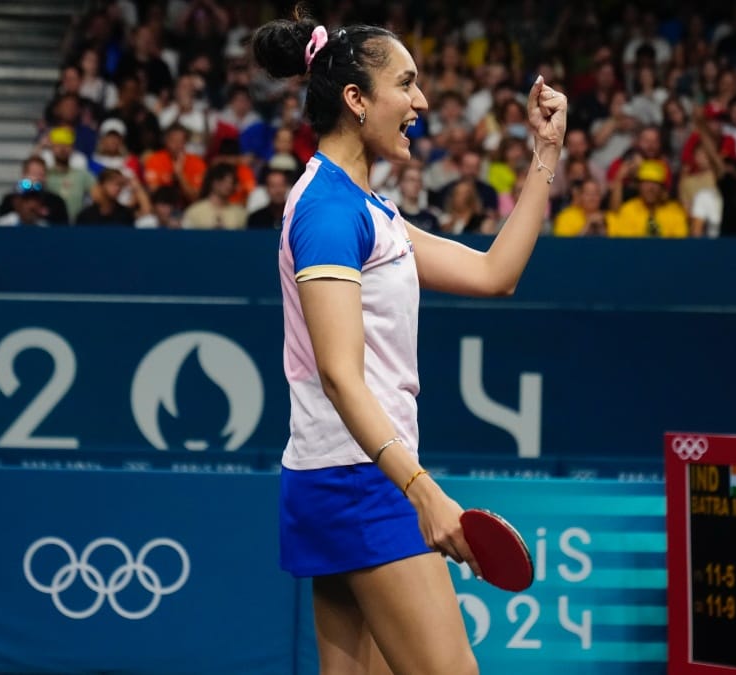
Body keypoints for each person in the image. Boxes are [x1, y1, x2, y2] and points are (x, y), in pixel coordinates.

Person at [251, 13, 566, 675]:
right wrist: (422, 492)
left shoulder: (368, 211)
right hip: (359, 480)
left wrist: (546, 154)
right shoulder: (328, 213)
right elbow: (340, 374)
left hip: (345, 472)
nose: (422, 103)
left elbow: (492, 273)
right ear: (356, 100)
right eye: (407, 84)